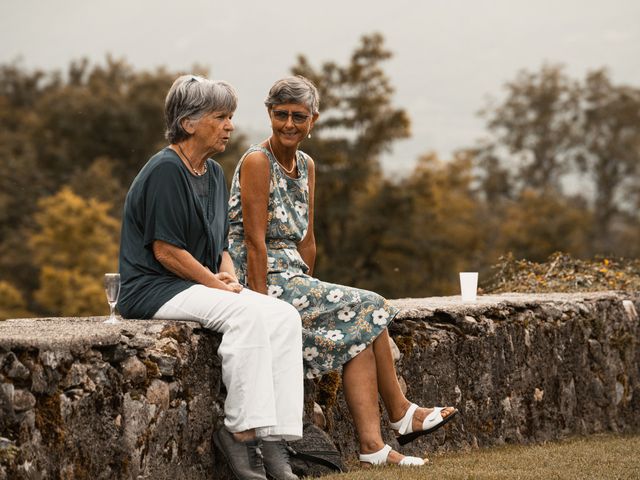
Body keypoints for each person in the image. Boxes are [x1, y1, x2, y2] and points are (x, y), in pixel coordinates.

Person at [227, 76, 458, 468]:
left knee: (360, 331)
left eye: (298, 116)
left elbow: (308, 239)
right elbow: (253, 242)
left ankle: (373, 447)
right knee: (371, 306)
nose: (288, 124)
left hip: (294, 278)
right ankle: (401, 411)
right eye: (280, 114)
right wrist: (262, 306)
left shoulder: (306, 165)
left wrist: (311, 286)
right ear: (268, 113)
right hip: (261, 279)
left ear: (313, 120)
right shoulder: (255, 161)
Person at [118, 74, 303, 480]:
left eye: (230, 116)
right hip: (154, 289)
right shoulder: (165, 170)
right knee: (247, 316)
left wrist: (228, 275)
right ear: (189, 122)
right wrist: (216, 285)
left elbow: (220, 245)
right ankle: (241, 435)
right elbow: (165, 251)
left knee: (284, 316)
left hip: (195, 283)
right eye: (221, 117)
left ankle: (276, 444)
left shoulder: (214, 173)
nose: (230, 126)